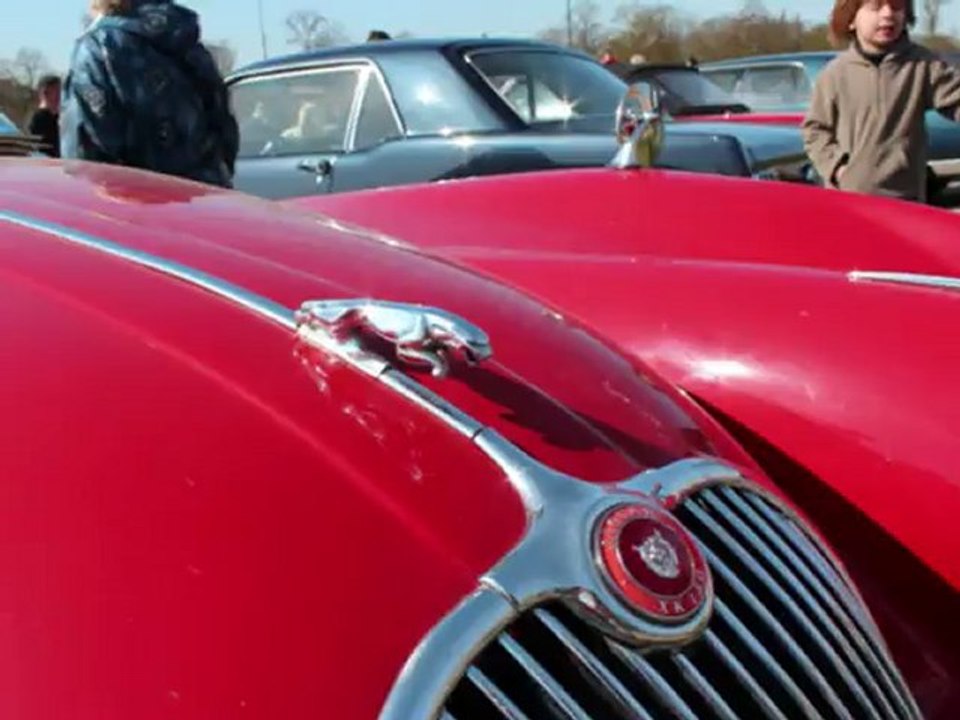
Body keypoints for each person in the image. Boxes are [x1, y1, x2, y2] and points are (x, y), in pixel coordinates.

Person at [61, 0, 239, 188]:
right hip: (210, 200)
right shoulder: (187, 42)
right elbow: (225, 134)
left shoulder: (96, 49)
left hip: (138, 207)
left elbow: (85, 163)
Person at [802, 0, 960, 202]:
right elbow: (814, 130)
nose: (887, 14)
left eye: (896, 7)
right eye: (876, 7)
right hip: (849, 202)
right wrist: (838, 169)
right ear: (851, 20)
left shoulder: (924, 65)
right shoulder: (834, 74)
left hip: (906, 199)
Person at [27, 75, 62, 157]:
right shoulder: (38, 118)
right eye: (55, 91)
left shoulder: (59, 117)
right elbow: (37, 148)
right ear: (45, 93)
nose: (59, 96)